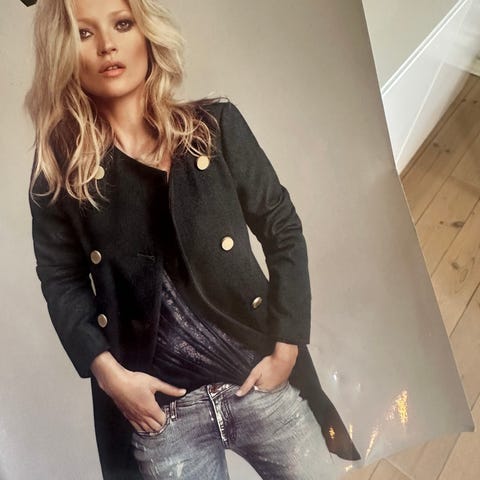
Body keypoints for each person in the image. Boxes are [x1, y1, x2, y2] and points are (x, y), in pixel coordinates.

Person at [26, 0, 360, 478]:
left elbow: (282, 228)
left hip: (257, 378)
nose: (107, 45)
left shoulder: (215, 127)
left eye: (122, 24)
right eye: (84, 33)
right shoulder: (59, 172)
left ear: (147, 33)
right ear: (61, 51)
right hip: (162, 416)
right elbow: (61, 280)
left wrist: (287, 345)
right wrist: (111, 378)